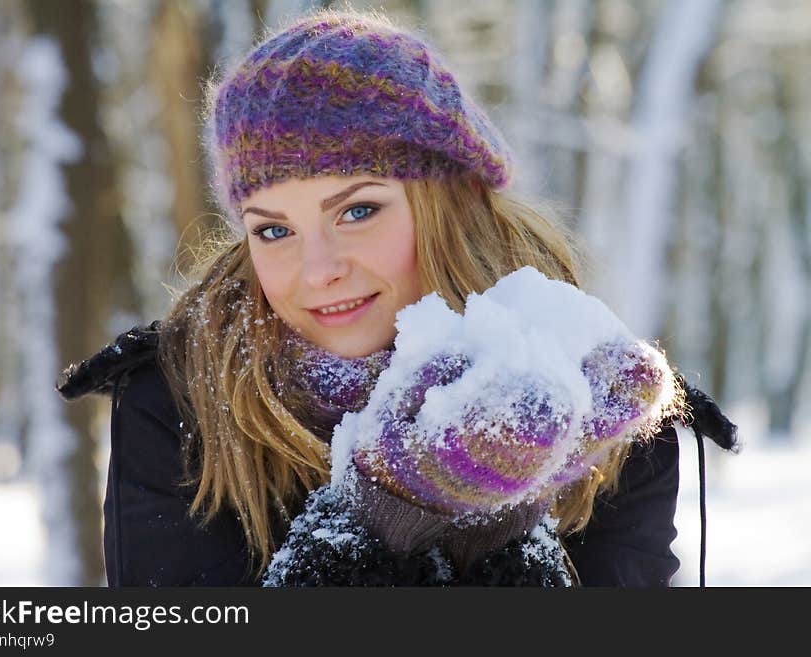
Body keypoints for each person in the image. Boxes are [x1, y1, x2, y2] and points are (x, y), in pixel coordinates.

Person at [57, 8, 737, 587]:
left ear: (452, 205)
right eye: (274, 228)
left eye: (357, 211)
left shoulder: (604, 408)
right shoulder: (180, 404)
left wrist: (496, 527)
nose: (316, 269)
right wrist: (390, 511)